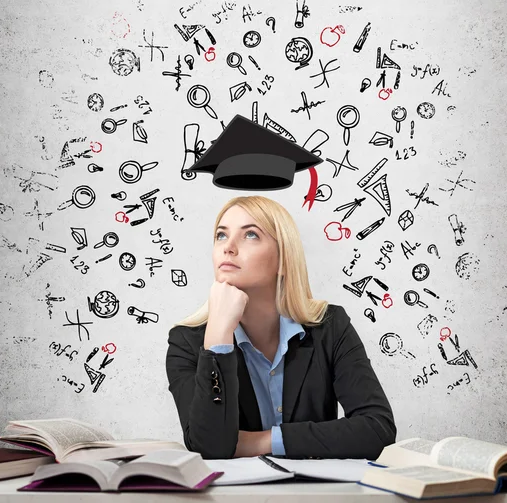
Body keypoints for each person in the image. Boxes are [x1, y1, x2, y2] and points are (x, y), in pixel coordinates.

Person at [166, 195, 396, 460]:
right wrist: (218, 337)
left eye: (250, 235)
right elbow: (210, 447)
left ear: (284, 259)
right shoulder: (185, 342)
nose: (228, 248)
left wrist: (264, 441)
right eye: (221, 235)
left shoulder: (330, 327)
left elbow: (378, 429)